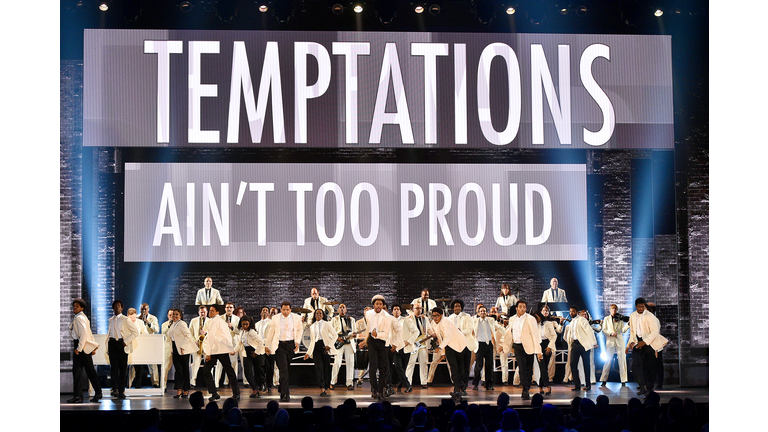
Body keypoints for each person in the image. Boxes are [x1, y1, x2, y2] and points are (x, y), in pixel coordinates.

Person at [626, 297, 668, 396]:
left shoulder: (650, 316)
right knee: (636, 365)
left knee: (650, 366)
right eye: (639, 306)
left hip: (649, 343)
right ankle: (641, 386)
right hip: (637, 342)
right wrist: (631, 343)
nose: (641, 308)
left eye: (643, 306)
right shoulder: (632, 316)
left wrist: (645, 342)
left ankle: (649, 388)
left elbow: (655, 331)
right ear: (636, 306)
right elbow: (632, 331)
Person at [359, 295, 397, 400]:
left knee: (383, 368)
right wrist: (365, 340)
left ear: (383, 305)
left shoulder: (388, 317)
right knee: (372, 367)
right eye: (377, 304)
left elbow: (386, 334)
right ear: (373, 305)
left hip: (383, 342)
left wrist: (377, 335)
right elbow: (368, 329)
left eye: (381, 304)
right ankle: (374, 390)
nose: (379, 306)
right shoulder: (368, 314)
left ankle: (380, 390)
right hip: (372, 342)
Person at [503, 300, 542, 400]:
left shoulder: (530, 319)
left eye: (524, 307)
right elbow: (508, 333)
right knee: (522, 367)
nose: (522, 308)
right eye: (520, 307)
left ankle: (527, 386)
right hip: (517, 346)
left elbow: (535, 335)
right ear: (516, 308)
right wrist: (505, 346)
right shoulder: (512, 319)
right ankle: (525, 388)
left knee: (529, 368)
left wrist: (538, 351)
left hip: (529, 347)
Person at [265, 301, 303, 401]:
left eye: (287, 309)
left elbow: (299, 330)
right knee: (283, 369)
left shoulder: (297, 318)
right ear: (281, 309)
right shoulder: (275, 318)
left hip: (291, 345)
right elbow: (271, 333)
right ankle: (285, 394)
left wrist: (297, 342)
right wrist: (267, 346)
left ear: (290, 309)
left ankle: (282, 388)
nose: (285, 311)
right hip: (279, 346)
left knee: (286, 369)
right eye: (283, 309)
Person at [201, 305, 240, 401]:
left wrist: (208, 353)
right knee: (229, 371)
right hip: (220, 350)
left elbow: (211, 337)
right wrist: (230, 348)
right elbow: (227, 336)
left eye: (212, 311)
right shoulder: (220, 321)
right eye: (209, 310)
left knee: (207, 371)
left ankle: (215, 393)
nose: (210, 312)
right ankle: (234, 393)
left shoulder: (215, 321)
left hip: (217, 350)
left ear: (217, 312)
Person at [429, 305, 468, 402]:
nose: (435, 318)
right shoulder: (434, 323)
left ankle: (459, 388)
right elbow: (440, 337)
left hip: (460, 346)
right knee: (453, 368)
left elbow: (447, 337)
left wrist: (439, 347)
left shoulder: (446, 321)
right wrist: (442, 353)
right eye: (433, 316)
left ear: (441, 315)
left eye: (437, 316)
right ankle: (457, 390)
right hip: (449, 347)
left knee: (459, 369)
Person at [68, 299, 103, 403]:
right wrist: (92, 346)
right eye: (74, 306)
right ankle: (83, 395)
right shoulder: (82, 317)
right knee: (83, 371)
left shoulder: (79, 318)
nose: (74, 308)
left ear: (82, 308)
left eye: (77, 306)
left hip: (81, 346)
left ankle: (86, 395)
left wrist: (78, 349)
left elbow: (83, 334)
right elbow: (89, 333)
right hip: (83, 346)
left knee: (85, 371)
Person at [303, 308, 336, 396]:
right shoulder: (312, 326)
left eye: (320, 313)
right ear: (314, 315)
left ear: (323, 315)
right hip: (316, 348)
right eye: (317, 313)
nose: (318, 314)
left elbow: (335, 335)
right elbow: (312, 341)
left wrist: (329, 345)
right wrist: (308, 353)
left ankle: (326, 386)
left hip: (325, 347)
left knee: (326, 368)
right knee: (319, 368)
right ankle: (321, 387)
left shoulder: (327, 324)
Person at [169, 308, 197, 398]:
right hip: (175, 348)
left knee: (184, 370)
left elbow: (188, 335)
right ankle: (179, 389)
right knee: (178, 370)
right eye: (173, 314)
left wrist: (182, 346)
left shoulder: (182, 324)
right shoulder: (172, 324)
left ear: (180, 316)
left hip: (183, 349)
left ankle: (185, 389)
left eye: (177, 314)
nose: (175, 316)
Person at [567, 306, 598, 392]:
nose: (571, 313)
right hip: (575, 344)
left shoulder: (582, 320)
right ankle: (577, 385)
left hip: (583, 345)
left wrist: (593, 343)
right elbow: (571, 334)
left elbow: (589, 331)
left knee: (586, 365)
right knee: (573, 364)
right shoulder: (572, 322)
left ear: (577, 312)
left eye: (573, 311)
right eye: (570, 311)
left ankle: (588, 385)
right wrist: (570, 343)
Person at [600, 304, 630, 387]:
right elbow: (604, 330)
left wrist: (628, 325)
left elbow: (623, 330)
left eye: (615, 309)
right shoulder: (606, 319)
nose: (613, 311)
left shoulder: (620, 319)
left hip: (619, 341)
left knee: (622, 360)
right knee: (608, 360)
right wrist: (611, 333)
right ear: (610, 310)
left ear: (617, 310)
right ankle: (603, 380)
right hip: (610, 341)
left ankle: (623, 380)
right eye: (612, 309)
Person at [234, 315, 264, 398]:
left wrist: (256, 352)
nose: (245, 326)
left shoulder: (251, 331)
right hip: (246, 353)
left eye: (246, 324)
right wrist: (234, 351)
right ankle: (255, 389)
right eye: (243, 324)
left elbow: (260, 342)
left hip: (255, 353)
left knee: (258, 372)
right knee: (247, 372)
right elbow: (240, 343)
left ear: (250, 324)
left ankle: (258, 388)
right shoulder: (241, 331)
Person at [107, 299, 130, 399]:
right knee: (114, 369)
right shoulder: (111, 319)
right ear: (113, 308)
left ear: (122, 308)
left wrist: (126, 341)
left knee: (123, 369)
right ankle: (115, 389)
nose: (117, 307)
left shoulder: (126, 319)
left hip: (121, 344)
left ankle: (122, 390)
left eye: (119, 306)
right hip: (112, 344)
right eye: (115, 306)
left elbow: (135, 332)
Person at [450, 299, 474, 393]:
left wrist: (458, 332)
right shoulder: (450, 318)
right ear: (453, 308)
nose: (457, 308)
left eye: (459, 306)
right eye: (455, 306)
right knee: (457, 367)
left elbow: (469, 329)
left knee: (465, 367)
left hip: (466, 345)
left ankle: (464, 386)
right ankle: (458, 386)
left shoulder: (467, 316)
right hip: (454, 345)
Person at [330, 303, 357, 390]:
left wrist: (353, 335)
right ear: (338, 310)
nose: (342, 309)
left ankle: (349, 383)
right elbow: (330, 332)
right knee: (337, 363)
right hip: (339, 343)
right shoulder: (334, 320)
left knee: (350, 363)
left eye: (343, 307)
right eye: (340, 307)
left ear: (346, 310)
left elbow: (355, 332)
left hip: (349, 343)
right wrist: (337, 338)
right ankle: (332, 382)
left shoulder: (351, 320)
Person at [471, 305, 497, 391]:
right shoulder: (474, 321)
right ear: (478, 313)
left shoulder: (491, 320)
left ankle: (489, 384)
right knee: (479, 365)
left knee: (489, 365)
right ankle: (475, 384)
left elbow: (498, 327)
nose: (483, 312)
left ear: (487, 312)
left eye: (484, 311)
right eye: (481, 311)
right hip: (479, 345)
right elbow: (470, 330)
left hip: (489, 344)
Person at [391, 304, 416, 393]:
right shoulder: (390, 321)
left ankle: (399, 385)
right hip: (396, 348)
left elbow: (416, 332)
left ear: (401, 311)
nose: (396, 310)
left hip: (406, 348)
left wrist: (409, 341)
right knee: (398, 367)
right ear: (392, 311)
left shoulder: (406, 320)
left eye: (398, 309)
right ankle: (408, 386)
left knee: (403, 368)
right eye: (395, 309)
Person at [216, 302, 240, 388]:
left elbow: (239, 331)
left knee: (233, 363)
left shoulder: (237, 319)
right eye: (227, 307)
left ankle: (231, 383)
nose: (229, 309)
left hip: (232, 343)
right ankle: (216, 383)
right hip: (222, 343)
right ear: (225, 309)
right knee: (219, 364)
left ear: (233, 309)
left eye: (230, 307)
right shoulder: (220, 318)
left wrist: (232, 327)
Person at [406, 303, 430, 389]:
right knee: (410, 363)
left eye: (420, 308)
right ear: (413, 309)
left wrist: (433, 334)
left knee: (424, 363)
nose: (419, 310)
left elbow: (429, 329)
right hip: (413, 343)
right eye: (417, 308)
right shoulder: (408, 319)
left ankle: (424, 382)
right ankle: (408, 382)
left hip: (422, 343)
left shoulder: (425, 319)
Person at [533, 311, 556, 395]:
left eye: (537, 317)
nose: (536, 319)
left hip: (547, 344)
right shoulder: (534, 325)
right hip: (538, 346)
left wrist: (550, 346)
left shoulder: (548, 323)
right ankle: (547, 385)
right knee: (542, 366)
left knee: (544, 367)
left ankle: (540, 386)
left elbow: (554, 336)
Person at [138, 303, 161, 388]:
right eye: (142, 309)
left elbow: (157, 329)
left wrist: (148, 322)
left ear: (148, 309)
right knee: (135, 363)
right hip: (139, 343)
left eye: (145, 309)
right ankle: (132, 381)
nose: (143, 311)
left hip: (150, 343)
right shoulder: (136, 317)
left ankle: (155, 382)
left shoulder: (153, 318)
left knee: (152, 363)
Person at [540, 305, 563, 384]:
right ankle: (541, 380)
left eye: (547, 311)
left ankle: (549, 379)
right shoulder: (538, 320)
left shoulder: (551, 321)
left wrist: (561, 323)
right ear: (541, 312)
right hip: (540, 343)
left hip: (550, 343)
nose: (545, 312)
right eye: (544, 310)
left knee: (551, 362)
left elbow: (559, 330)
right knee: (541, 364)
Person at [254, 306, 274, 393]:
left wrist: (262, 341)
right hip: (260, 348)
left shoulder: (271, 323)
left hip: (269, 346)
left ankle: (269, 385)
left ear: (269, 313)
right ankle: (261, 384)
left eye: (266, 310)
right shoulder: (257, 324)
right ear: (261, 313)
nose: (265, 312)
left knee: (269, 367)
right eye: (263, 310)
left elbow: (271, 336)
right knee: (260, 367)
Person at [189, 305, 209, 388]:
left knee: (208, 364)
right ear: (198, 312)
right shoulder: (193, 320)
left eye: (204, 312)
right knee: (195, 364)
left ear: (206, 312)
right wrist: (195, 341)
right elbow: (190, 333)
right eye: (201, 312)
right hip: (196, 344)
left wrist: (206, 333)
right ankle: (193, 382)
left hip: (206, 345)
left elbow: (213, 333)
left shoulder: (210, 321)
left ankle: (209, 382)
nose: (203, 313)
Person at [355, 306, 372, 387]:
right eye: (367, 312)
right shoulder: (358, 322)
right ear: (364, 313)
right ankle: (360, 377)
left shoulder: (374, 322)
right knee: (362, 360)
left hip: (372, 344)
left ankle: (374, 377)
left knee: (373, 362)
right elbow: (355, 334)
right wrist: (359, 335)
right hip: (362, 344)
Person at [160, 308, 175, 390]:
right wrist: (169, 326)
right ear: (167, 315)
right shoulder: (164, 324)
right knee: (165, 367)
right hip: (168, 347)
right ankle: (163, 385)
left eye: (172, 315)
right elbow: (164, 333)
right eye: (170, 315)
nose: (171, 316)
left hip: (176, 348)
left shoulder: (178, 324)